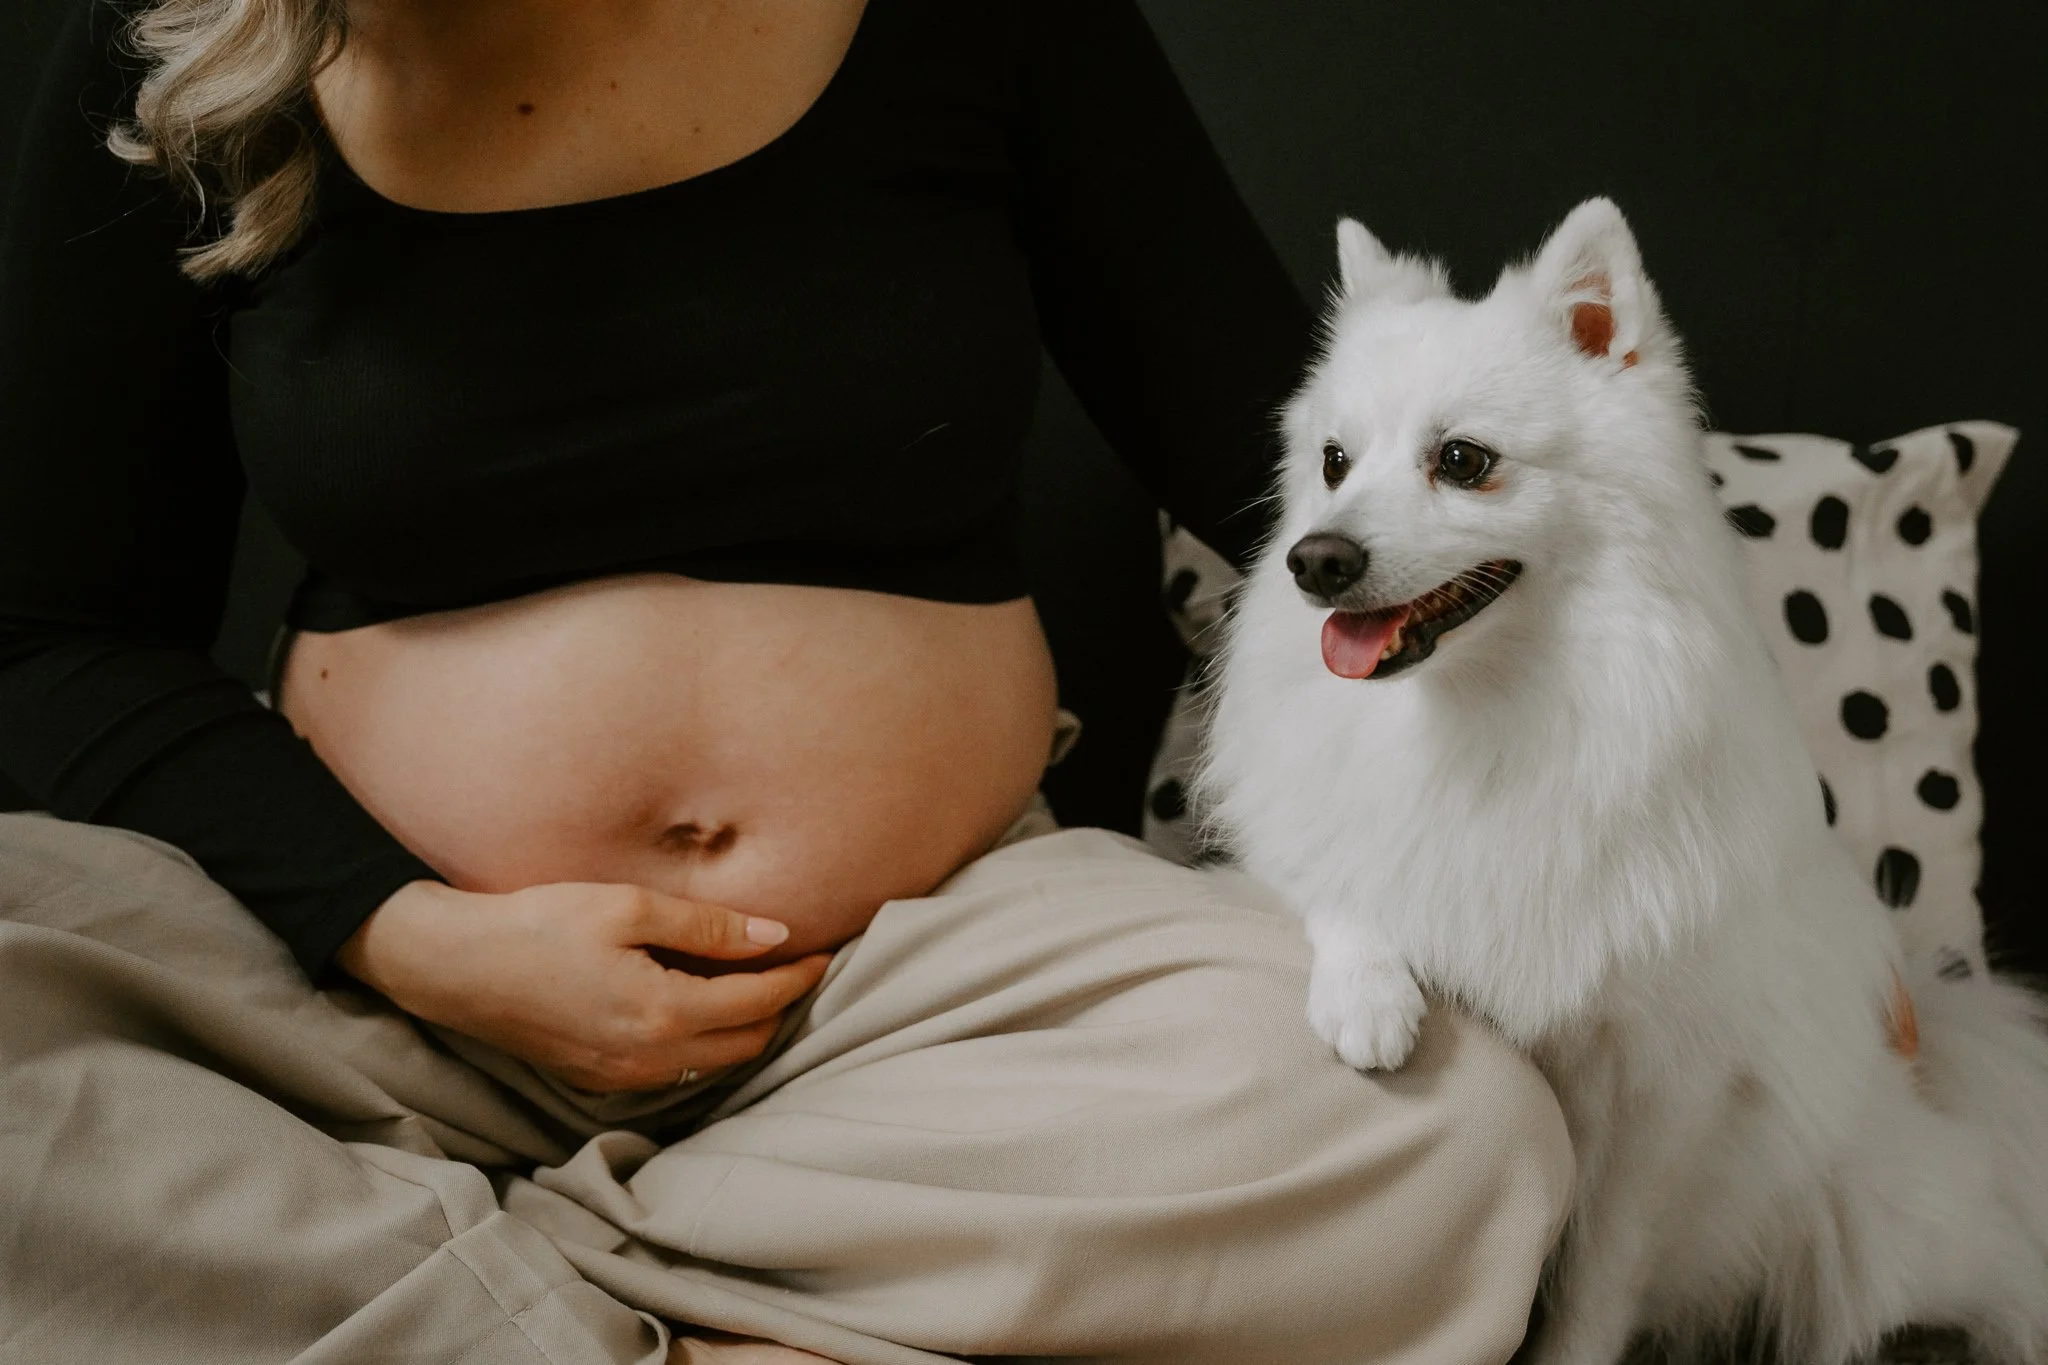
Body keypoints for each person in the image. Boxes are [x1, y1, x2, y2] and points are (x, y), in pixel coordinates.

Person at [0, 0, 1573, 1360]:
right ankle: (767, 1320)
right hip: (370, 1003)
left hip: (939, 991)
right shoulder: (187, 54)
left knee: (1454, 1138)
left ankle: (459, 1295)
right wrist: (406, 933)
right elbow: (51, 633)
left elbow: (1283, 470)